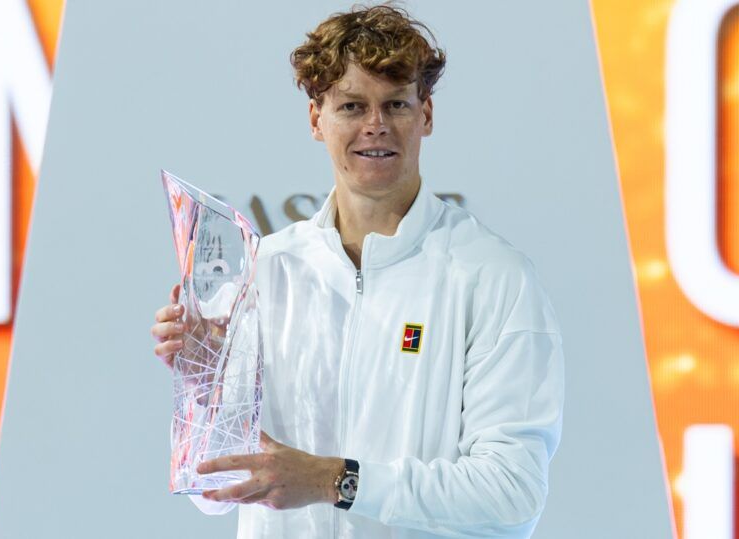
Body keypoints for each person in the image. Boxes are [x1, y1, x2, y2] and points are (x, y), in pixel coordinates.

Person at [151, 5, 564, 538]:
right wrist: (206, 385)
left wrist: (335, 481)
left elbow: (512, 496)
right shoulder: (265, 273)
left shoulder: (493, 279)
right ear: (316, 120)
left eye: (396, 104)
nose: (376, 125)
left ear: (427, 115)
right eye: (351, 105)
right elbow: (215, 490)